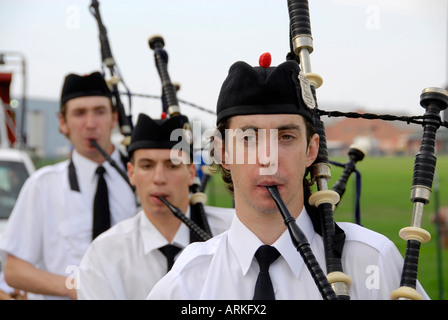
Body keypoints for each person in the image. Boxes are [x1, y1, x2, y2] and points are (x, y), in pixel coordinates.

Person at [147, 56, 429, 300]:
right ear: (222, 152)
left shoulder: (371, 261)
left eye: (286, 137)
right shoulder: (186, 284)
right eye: (249, 137)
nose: (268, 158)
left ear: (311, 150)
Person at [0, 71, 137, 300]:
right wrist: (77, 287)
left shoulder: (143, 181)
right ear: (63, 123)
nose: (90, 124)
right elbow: (14, 270)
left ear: (114, 119)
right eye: (79, 113)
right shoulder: (43, 186)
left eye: (100, 112)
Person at [77, 113, 234, 300]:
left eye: (172, 166)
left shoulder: (233, 231)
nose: (159, 178)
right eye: (147, 166)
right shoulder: (104, 254)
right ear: (131, 173)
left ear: (191, 173)